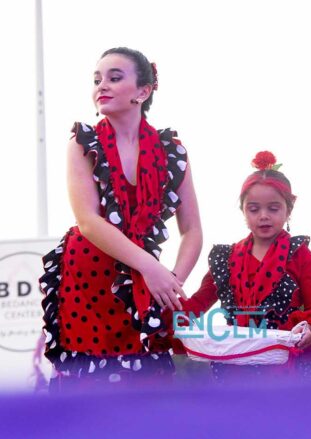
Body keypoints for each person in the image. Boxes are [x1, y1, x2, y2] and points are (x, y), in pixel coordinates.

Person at [39, 47, 202, 391]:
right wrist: (151, 267)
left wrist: (170, 284)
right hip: (88, 284)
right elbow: (88, 221)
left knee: (150, 397)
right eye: (97, 79)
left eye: (114, 78)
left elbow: (192, 230)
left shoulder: (173, 150)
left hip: (146, 287)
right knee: (86, 401)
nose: (102, 86)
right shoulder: (83, 141)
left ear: (143, 91)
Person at [170, 151, 311, 382]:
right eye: (254, 208)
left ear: (289, 209)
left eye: (273, 208)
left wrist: (308, 328)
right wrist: (167, 317)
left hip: (285, 366)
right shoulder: (225, 258)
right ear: (243, 210)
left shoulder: (301, 255)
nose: (263, 216)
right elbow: (199, 302)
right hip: (233, 366)